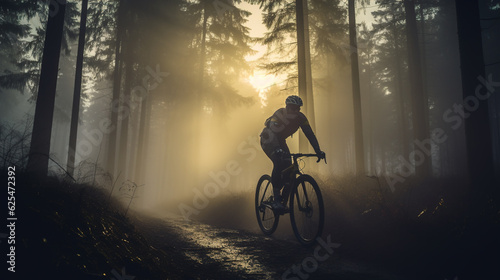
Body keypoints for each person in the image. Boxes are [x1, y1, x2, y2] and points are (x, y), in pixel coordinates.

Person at [260, 95, 325, 212]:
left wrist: (318, 151)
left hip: (280, 141)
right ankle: (276, 199)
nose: (295, 111)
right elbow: (272, 132)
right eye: (293, 108)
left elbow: (310, 135)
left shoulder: (301, 118)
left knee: (290, 168)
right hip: (268, 140)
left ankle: (283, 197)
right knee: (279, 162)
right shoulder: (280, 114)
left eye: (298, 109)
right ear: (287, 107)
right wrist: (276, 149)